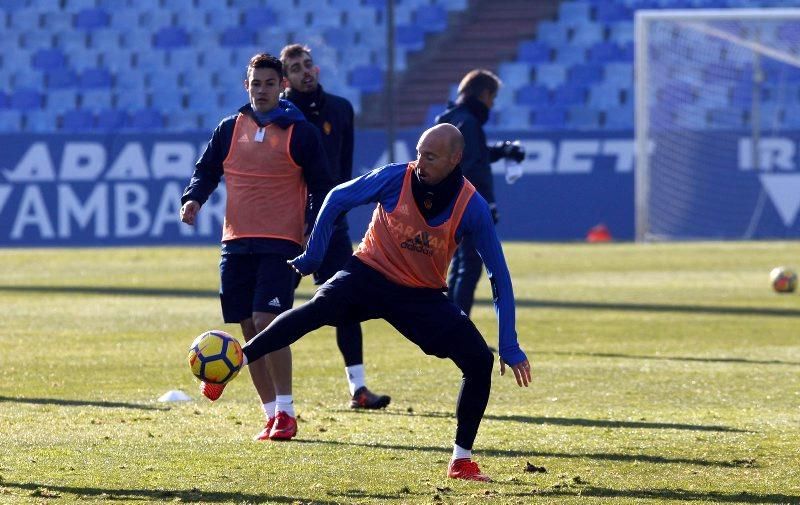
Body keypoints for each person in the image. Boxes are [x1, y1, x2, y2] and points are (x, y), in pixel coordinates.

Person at [198, 124, 532, 481]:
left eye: (431, 156)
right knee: (314, 311)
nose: (420, 162)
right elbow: (338, 197)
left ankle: (460, 460)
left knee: (479, 361)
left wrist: (508, 343)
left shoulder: (472, 206)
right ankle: (237, 360)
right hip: (368, 273)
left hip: (420, 294)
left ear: (455, 159)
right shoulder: (394, 178)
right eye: (418, 152)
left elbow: (499, 275)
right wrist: (314, 254)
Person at [180, 53, 333, 442]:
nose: (261, 90)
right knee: (248, 329)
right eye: (255, 83)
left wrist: (311, 229)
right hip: (236, 242)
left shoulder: (301, 132)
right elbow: (206, 170)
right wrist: (194, 198)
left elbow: (321, 188)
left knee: (268, 323)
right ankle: (270, 414)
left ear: (282, 86)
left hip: (281, 242)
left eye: (269, 83)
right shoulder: (229, 128)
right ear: (245, 86)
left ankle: (287, 410)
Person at [279, 43, 390, 409]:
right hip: (289, 226)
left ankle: (358, 388)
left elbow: (342, 172)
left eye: (308, 64)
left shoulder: (341, 109)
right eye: (296, 68)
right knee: (274, 305)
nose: (305, 71)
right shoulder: (280, 114)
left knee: (346, 302)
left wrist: (330, 217)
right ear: (285, 80)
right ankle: (276, 398)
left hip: (330, 224)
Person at [435, 69, 525, 317]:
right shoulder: (470, 122)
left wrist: (503, 150)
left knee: (459, 265)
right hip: (464, 205)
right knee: (470, 266)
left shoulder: (450, 118)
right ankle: (459, 331)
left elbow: (472, 153)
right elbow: (473, 167)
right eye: (492, 98)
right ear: (484, 94)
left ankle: (449, 324)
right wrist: (487, 204)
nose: (492, 104)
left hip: (445, 202)